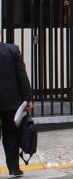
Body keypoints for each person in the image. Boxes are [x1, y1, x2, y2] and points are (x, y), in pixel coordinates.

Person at [0, 41, 33, 177]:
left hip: (10, 101)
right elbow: (21, 75)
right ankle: (14, 168)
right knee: (10, 134)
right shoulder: (12, 50)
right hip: (10, 100)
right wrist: (27, 98)